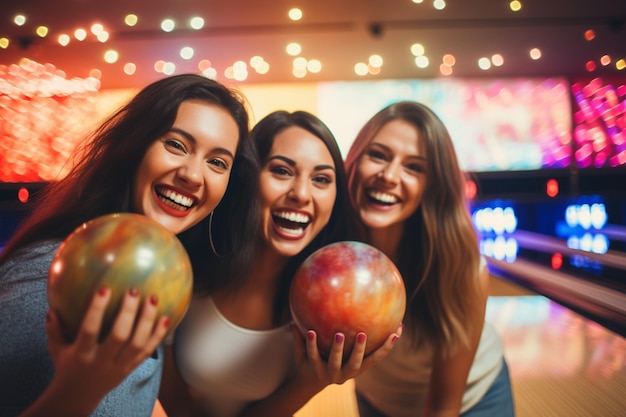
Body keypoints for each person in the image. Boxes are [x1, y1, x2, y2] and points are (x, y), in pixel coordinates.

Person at [0, 73, 259, 417]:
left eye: (217, 162)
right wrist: (78, 390)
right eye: (176, 145)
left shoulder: (156, 275)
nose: (193, 175)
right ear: (134, 147)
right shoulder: (47, 276)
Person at [159, 110, 401, 417]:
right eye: (282, 171)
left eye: (321, 179)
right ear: (247, 177)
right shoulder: (188, 261)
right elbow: (172, 394)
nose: (301, 194)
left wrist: (313, 381)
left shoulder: (333, 302)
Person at [343, 101, 515, 417]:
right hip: (378, 398)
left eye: (414, 167)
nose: (389, 175)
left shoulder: (459, 266)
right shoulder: (333, 251)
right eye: (378, 155)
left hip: (472, 400)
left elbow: (442, 407)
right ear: (354, 160)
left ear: (431, 186)